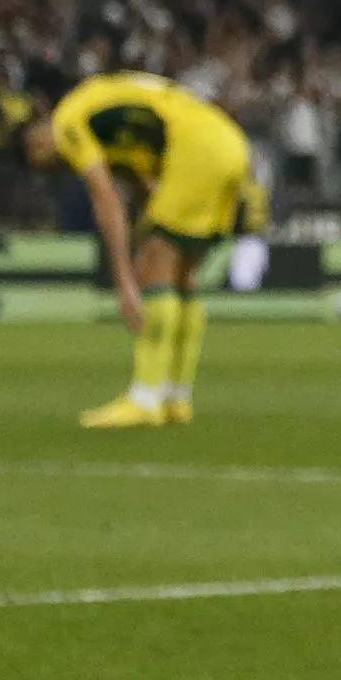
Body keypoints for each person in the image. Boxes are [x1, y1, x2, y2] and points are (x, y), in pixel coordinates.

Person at [20, 71, 258, 428]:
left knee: (155, 265)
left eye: (36, 150)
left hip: (196, 147)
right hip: (229, 142)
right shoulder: (109, 114)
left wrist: (125, 280)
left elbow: (108, 201)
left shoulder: (68, 121)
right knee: (183, 274)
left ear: (41, 132)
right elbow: (142, 184)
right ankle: (176, 398)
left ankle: (145, 399)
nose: (44, 160)